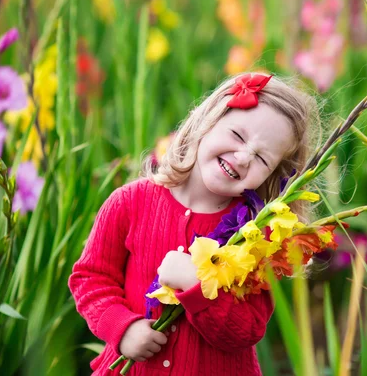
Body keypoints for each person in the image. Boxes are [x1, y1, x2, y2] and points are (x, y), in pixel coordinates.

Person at [68, 73, 320, 375]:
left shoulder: (256, 236)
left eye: (262, 159)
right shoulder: (129, 202)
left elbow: (247, 330)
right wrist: (122, 328)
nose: (242, 157)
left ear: (274, 176)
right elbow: (91, 277)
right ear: (207, 122)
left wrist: (197, 288)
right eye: (237, 136)